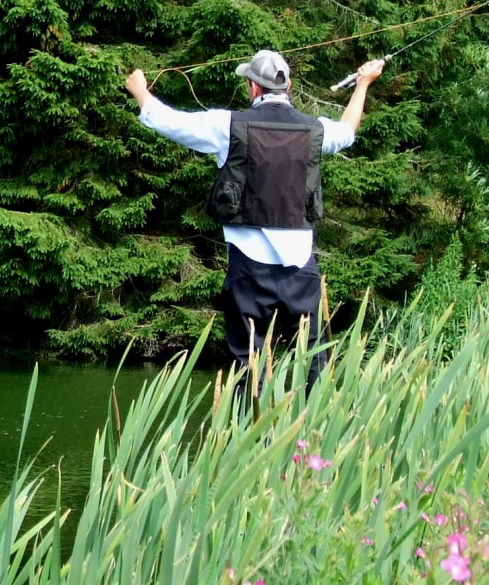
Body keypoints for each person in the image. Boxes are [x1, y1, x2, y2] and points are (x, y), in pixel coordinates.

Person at [126, 50, 383, 379]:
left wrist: (140, 91)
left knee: (248, 368)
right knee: (314, 366)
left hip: (248, 270)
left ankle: (249, 430)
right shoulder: (316, 131)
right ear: (287, 85)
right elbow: (347, 131)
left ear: (253, 87)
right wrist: (363, 84)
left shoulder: (227, 126)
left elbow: (170, 122)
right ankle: (316, 429)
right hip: (301, 269)